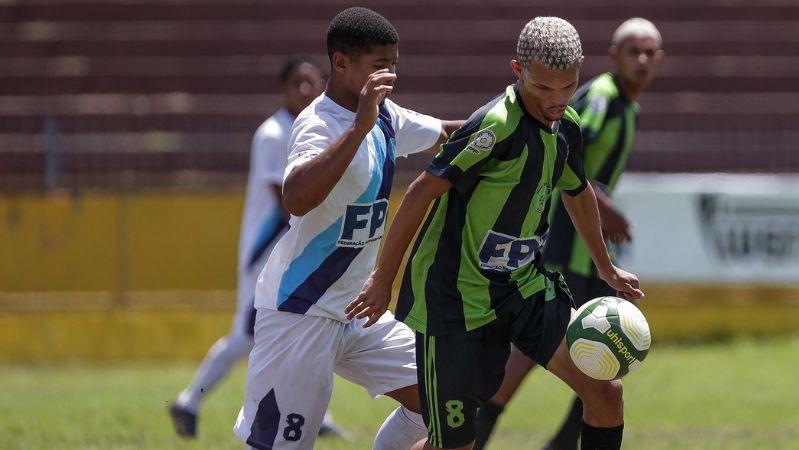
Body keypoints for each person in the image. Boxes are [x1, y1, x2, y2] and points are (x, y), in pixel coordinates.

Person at [347, 17, 645, 450]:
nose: (557, 99)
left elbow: (577, 191)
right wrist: (381, 279)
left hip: (523, 287)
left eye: (567, 87)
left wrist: (606, 268)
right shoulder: (494, 126)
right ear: (517, 69)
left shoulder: (567, 125)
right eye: (543, 88)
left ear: (580, 67)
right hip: (455, 300)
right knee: (453, 445)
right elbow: (419, 193)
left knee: (605, 392)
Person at [232, 7, 461, 450]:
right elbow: (295, 197)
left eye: (393, 64)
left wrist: (515, 119)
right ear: (341, 63)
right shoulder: (318, 123)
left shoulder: (386, 115)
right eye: (379, 65)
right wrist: (359, 127)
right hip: (301, 310)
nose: (390, 75)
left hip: (356, 310)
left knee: (447, 396)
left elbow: (448, 133)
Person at [472, 18, 665, 450]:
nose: (642, 60)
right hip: (566, 242)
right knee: (535, 348)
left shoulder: (628, 106)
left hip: (590, 250)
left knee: (609, 349)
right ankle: (476, 432)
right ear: (613, 56)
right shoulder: (600, 97)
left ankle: (562, 442)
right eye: (633, 51)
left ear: (660, 59)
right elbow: (567, 158)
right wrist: (605, 208)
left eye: (650, 53)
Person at [169, 55, 344, 439]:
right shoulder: (273, 134)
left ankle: (317, 415)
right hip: (266, 254)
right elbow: (288, 199)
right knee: (248, 334)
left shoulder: (312, 128)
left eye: (312, 81)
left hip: (291, 251)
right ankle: (190, 400)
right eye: (298, 82)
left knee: (300, 327)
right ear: (283, 89)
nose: (306, 89)